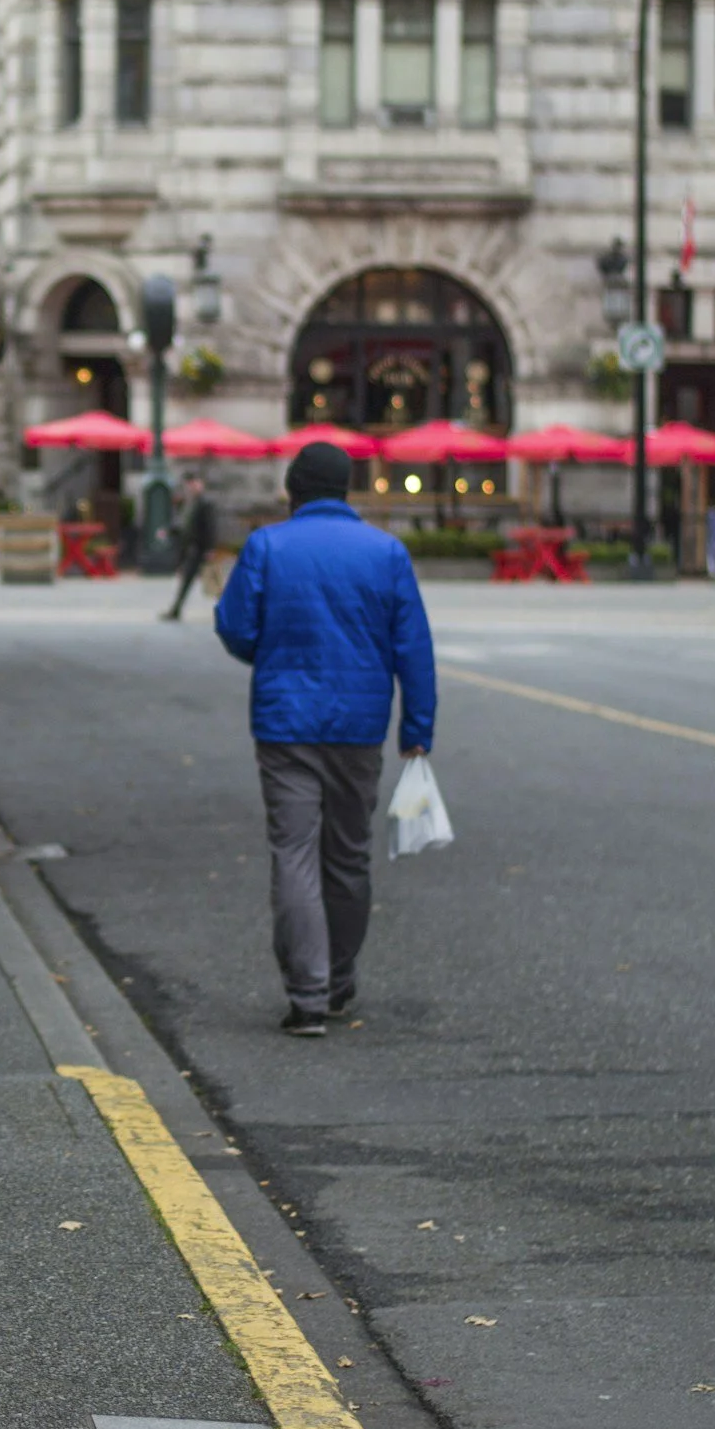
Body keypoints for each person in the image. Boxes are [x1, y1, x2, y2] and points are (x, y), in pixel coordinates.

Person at [213, 442, 436, 1038]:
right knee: (347, 855)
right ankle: (338, 979)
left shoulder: (267, 545)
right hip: (360, 728)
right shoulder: (387, 553)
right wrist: (417, 728)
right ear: (346, 490)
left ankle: (306, 996)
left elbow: (234, 626)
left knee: (294, 853)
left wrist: (269, 655)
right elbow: (413, 648)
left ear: (293, 489)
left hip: (285, 724)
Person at [162, 473, 219, 621]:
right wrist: (169, 531)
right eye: (190, 484)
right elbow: (184, 526)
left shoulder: (205, 503)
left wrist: (210, 548)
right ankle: (176, 610)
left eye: (195, 483)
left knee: (212, 580)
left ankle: (176, 610)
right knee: (191, 579)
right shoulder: (190, 503)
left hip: (200, 547)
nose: (192, 487)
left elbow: (210, 526)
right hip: (192, 547)